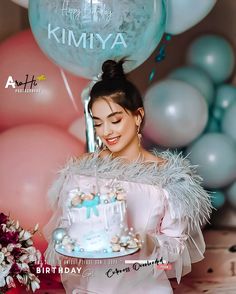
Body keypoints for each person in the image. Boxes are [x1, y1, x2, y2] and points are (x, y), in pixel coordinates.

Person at [43, 60, 213, 294]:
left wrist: (149, 243)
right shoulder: (84, 173)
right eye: (98, 124)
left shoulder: (169, 179)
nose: (107, 132)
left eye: (115, 120)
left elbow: (176, 246)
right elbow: (69, 228)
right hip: (95, 288)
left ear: (137, 116)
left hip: (148, 288)